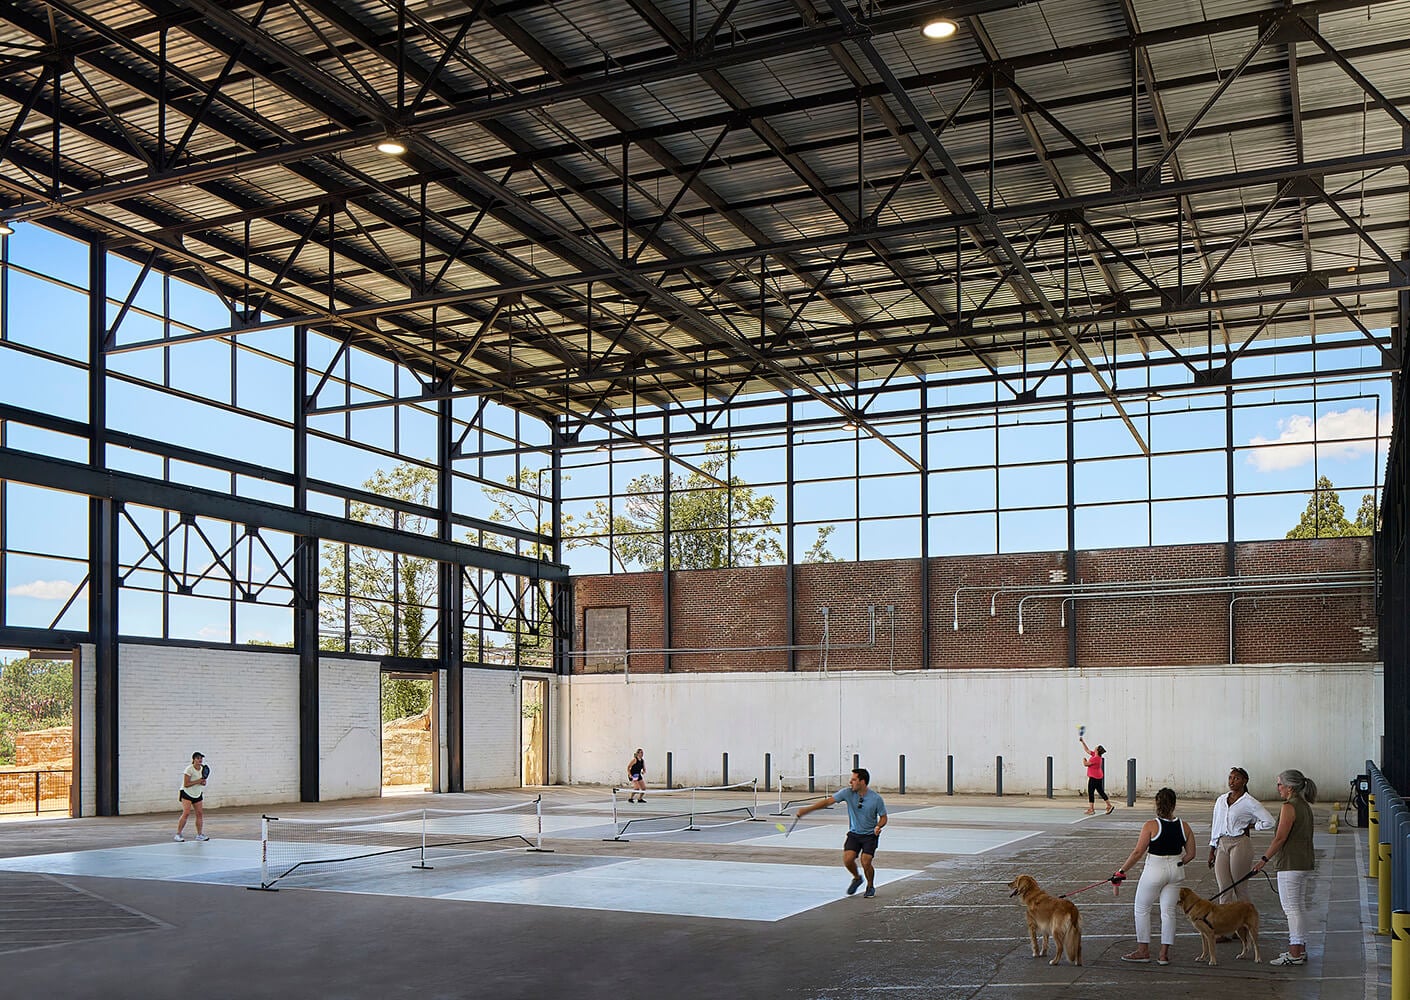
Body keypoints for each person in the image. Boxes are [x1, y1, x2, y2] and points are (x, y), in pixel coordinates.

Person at [1115, 787, 1195, 965]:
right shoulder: (1185, 826)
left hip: (1154, 869)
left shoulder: (1151, 825)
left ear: (1157, 804)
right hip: (1176, 869)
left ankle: (1143, 951)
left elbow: (1137, 853)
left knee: (1142, 908)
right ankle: (1163, 954)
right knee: (1168, 912)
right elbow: (1191, 854)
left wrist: (1121, 871)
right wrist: (1178, 862)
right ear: (1174, 804)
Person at [1252, 768, 1319, 967]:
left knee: (1291, 908)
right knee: (1298, 906)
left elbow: (1280, 838)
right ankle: (1300, 947)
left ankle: (1294, 951)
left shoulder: (1289, 806)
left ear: (1289, 787)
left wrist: (1263, 859)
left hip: (1291, 864)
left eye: (1280, 784)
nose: (1278, 787)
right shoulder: (1304, 805)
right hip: (1304, 861)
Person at [796, 767, 888, 898]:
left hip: (870, 835)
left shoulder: (876, 799)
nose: (850, 782)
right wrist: (807, 810)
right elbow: (828, 801)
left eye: (854, 780)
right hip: (854, 834)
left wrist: (879, 826)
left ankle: (870, 886)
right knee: (848, 860)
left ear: (862, 781)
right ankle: (857, 878)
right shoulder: (847, 793)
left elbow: (884, 817)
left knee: (866, 861)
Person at [1207, 766, 1275, 906]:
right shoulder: (1221, 800)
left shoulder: (1249, 802)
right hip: (1222, 843)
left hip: (1240, 844)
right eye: (1230, 778)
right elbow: (1216, 824)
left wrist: (1252, 826)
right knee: (1224, 888)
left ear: (1244, 781)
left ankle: (1246, 921)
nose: (1232, 781)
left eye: (1236, 778)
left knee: (1240, 887)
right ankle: (1226, 923)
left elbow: (1269, 821)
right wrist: (1212, 849)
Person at [175, 751, 210, 842]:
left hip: (197, 793)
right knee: (186, 813)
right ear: (193, 759)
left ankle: (199, 835)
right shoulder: (189, 769)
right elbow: (186, 784)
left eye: (201, 758)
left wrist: (203, 782)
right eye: (198, 758)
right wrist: (198, 781)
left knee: (199, 814)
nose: (200, 760)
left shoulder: (203, 768)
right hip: (186, 793)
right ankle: (178, 834)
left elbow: (202, 783)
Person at [1081, 736, 1112, 815]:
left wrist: (1084, 760)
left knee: (1091, 792)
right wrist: (1083, 742)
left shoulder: (1095, 758)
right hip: (1099, 777)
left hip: (1094, 777)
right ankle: (1109, 805)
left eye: (1096, 748)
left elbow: (1086, 764)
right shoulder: (1096, 756)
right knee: (1101, 791)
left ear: (1097, 750)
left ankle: (1091, 809)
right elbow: (1087, 750)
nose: (1094, 748)